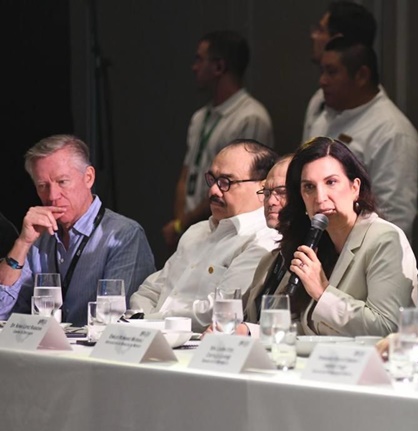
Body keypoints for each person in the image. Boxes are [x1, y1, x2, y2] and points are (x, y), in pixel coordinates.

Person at [244, 136, 417, 337]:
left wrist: (323, 291)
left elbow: (386, 328)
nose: (320, 197)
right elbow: (308, 328)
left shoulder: (384, 239)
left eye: (331, 182)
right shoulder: (317, 243)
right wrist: (249, 331)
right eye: (309, 187)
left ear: (355, 187)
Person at [0, 134, 155, 326]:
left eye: (62, 182)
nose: (52, 196)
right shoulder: (37, 237)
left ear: (88, 177)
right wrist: (22, 243)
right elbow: (2, 310)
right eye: (42, 186)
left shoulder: (124, 235)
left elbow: (117, 322)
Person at [131, 140, 280, 332]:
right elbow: (150, 290)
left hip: (201, 344)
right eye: (212, 179)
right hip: (152, 334)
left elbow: (218, 311)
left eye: (226, 182)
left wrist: (147, 322)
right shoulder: (197, 231)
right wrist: (139, 320)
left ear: (263, 189)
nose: (213, 191)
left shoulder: (262, 238)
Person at [162, 30, 274, 253]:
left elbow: (240, 184)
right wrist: (180, 223)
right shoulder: (200, 116)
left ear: (219, 67)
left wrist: (183, 223)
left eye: (199, 59)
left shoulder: (250, 117)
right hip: (193, 230)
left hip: (228, 230)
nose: (194, 67)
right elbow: (186, 175)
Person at [304, 36, 418, 240]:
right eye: (322, 71)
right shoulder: (323, 117)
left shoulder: (393, 131)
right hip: (316, 237)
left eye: (332, 72)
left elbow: (395, 218)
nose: (322, 80)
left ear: (361, 75)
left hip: (363, 248)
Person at [305, 1, 377, 139]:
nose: (313, 36)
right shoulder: (319, 100)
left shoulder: (391, 132)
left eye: (321, 30)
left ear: (338, 40)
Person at [241, 154, 291, 319]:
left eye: (281, 192)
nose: (271, 202)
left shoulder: (316, 258)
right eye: (267, 193)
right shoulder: (268, 261)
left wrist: (248, 330)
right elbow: (248, 318)